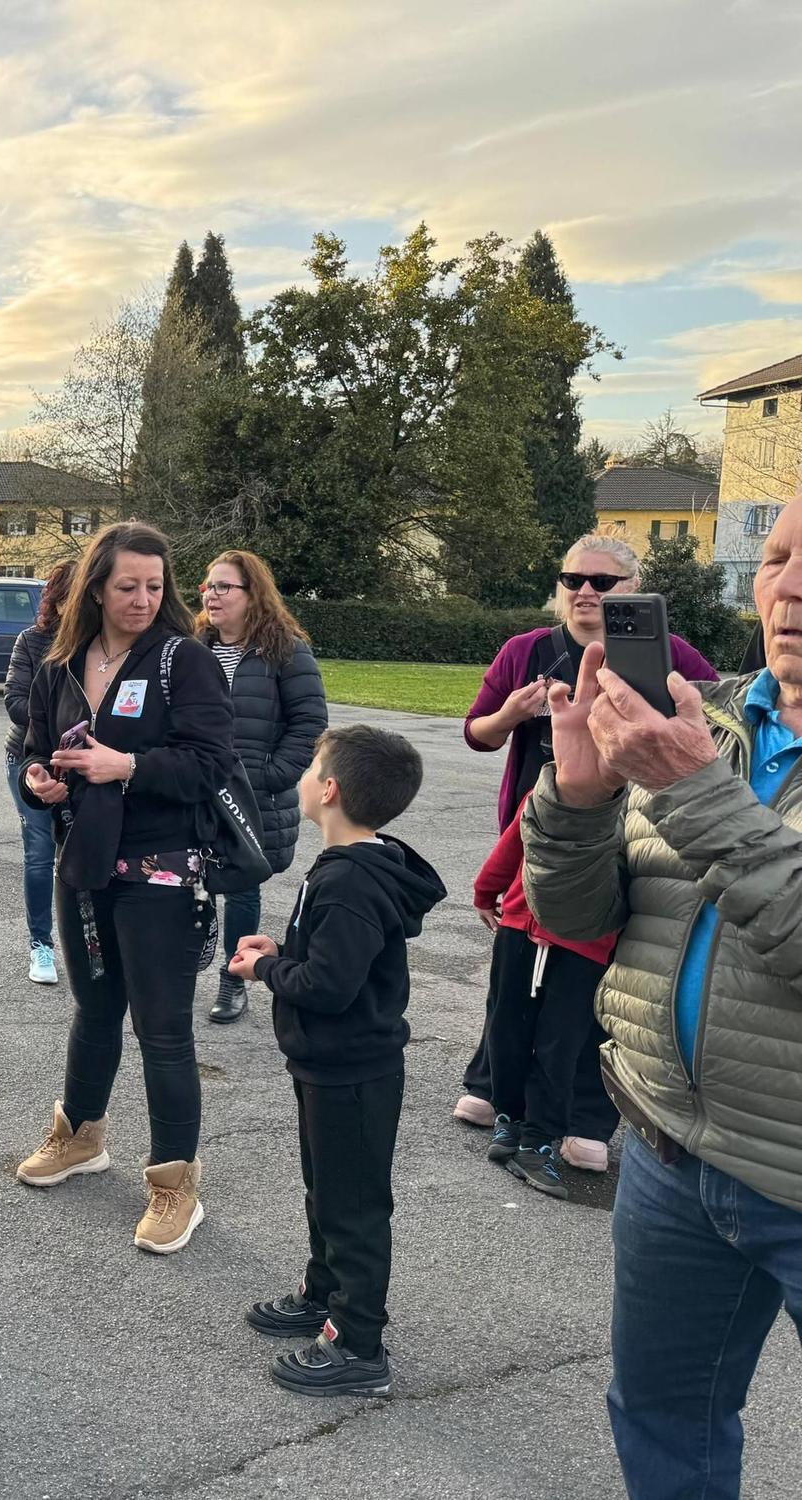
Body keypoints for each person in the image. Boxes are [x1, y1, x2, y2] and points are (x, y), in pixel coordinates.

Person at [523, 492, 802, 1500]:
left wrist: (689, 791)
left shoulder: (689, 755)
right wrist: (578, 801)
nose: (789, 588)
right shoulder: (706, 718)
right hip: (668, 1155)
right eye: (773, 559)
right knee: (661, 1421)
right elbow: (581, 912)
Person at [12, 521, 234, 1255]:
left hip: (162, 872)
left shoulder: (184, 661)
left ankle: (176, 1187)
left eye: (155, 586)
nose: (143, 599)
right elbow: (37, 749)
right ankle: (80, 1136)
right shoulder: (59, 664)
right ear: (96, 589)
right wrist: (38, 779)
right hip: (86, 867)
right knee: (94, 1011)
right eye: (127, 586)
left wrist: (128, 766)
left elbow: (210, 766)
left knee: (163, 1032)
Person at [455, 534, 716, 1155]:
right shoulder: (528, 652)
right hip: (537, 829)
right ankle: (494, 1083)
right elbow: (477, 734)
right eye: (573, 581)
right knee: (515, 970)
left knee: (600, 981)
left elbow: (712, 732)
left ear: (635, 590)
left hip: (637, 835)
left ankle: (585, 1114)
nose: (586, 593)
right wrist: (513, 716)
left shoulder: (670, 654)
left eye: (603, 582)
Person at [228, 725, 441, 1398]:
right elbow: (326, 961)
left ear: (330, 790)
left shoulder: (349, 878)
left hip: (352, 1070)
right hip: (329, 1065)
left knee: (353, 1206)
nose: (304, 775)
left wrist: (267, 970)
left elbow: (330, 986)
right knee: (326, 1190)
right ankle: (325, 1291)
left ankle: (358, 1341)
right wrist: (284, 953)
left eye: (314, 766)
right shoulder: (349, 865)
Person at [197, 550, 327, 1024]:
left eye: (223, 586)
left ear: (253, 594)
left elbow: (310, 724)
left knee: (243, 887)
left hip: (254, 798)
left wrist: (270, 777)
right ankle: (178, 970)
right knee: (189, 883)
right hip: (194, 791)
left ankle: (235, 980)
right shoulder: (193, 646)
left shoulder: (286, 649)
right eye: (208, 586)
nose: (211, 595)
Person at [471, 804, 617, 1201]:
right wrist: (486, 889)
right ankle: (510, 1117)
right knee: (509, 1030)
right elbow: (516, 840)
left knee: (559, 1042)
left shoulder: (634, 800)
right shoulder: (550, 791)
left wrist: (487, 890)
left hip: (587, 941)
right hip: (525, 925)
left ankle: (537, 1136)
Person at [3, 561, 75, 986]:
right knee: (40, 850)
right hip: (30, 758)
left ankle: (87, 941)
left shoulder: (103, 642)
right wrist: (58, 722)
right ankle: (41, 946)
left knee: (81, 851)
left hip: (86, 762)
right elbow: (14, 700)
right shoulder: (33, 641)